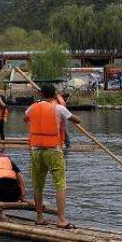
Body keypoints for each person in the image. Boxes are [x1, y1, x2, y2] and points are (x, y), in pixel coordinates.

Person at [24, 84, 81, 229]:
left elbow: (26, 118)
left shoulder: (33, 107)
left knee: (37, 185)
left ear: (41, 94)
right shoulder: (59, 108)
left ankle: (39, 218)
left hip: (36, 150)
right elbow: (77, 120)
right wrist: (64, 116)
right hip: (53, 150)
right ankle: (61, 220)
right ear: (54, 94)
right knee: (60, 184)